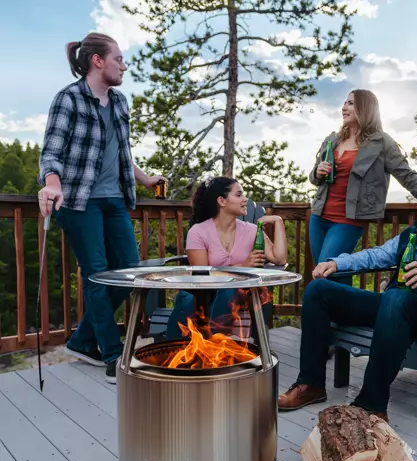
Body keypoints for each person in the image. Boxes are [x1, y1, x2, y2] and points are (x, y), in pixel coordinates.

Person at [278, 172, 417, 421]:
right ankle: (311, 385)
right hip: (392, 309)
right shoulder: (415, 232)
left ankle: (371, 404)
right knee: (318, 290)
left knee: (395, 298)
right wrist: (337, 262)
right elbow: (376, 255)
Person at [37, 33, 167, 384]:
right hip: (78, 200)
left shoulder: (120, 101)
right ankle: (113, 355)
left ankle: (81, 340)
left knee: (129, 273)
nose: (124, 65)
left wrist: (145, 179)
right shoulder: (69, 99)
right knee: (96, 273)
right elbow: (51, 151)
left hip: (114, 199)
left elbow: (122, 151)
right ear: (98, 61)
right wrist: (51, 183)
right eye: (119, 59)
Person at [309, 89, 417, 284]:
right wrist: (317, 172)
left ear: (365, 108)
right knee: (333, 274)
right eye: (344, 103)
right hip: (319, 216)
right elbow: (314, 178)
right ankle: (343, 314)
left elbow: (405, 174)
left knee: (325, 272)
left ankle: (343, 313)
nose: (344, 107)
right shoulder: (332, 140)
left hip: (348, 220)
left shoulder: (381, 143)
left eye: (350, 103)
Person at [166, 176, 288, 338]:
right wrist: (242, 266)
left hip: (243, 295)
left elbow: (279, 259)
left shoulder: (251, 230)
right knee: (187, 300)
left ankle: (212, 346)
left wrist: (278, 221)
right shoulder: (199, 232)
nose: (245, 200)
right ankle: (175, 353)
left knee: (229, 291)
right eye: (238, 195)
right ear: (222, 201)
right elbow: (201, 278)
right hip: (206, 294)